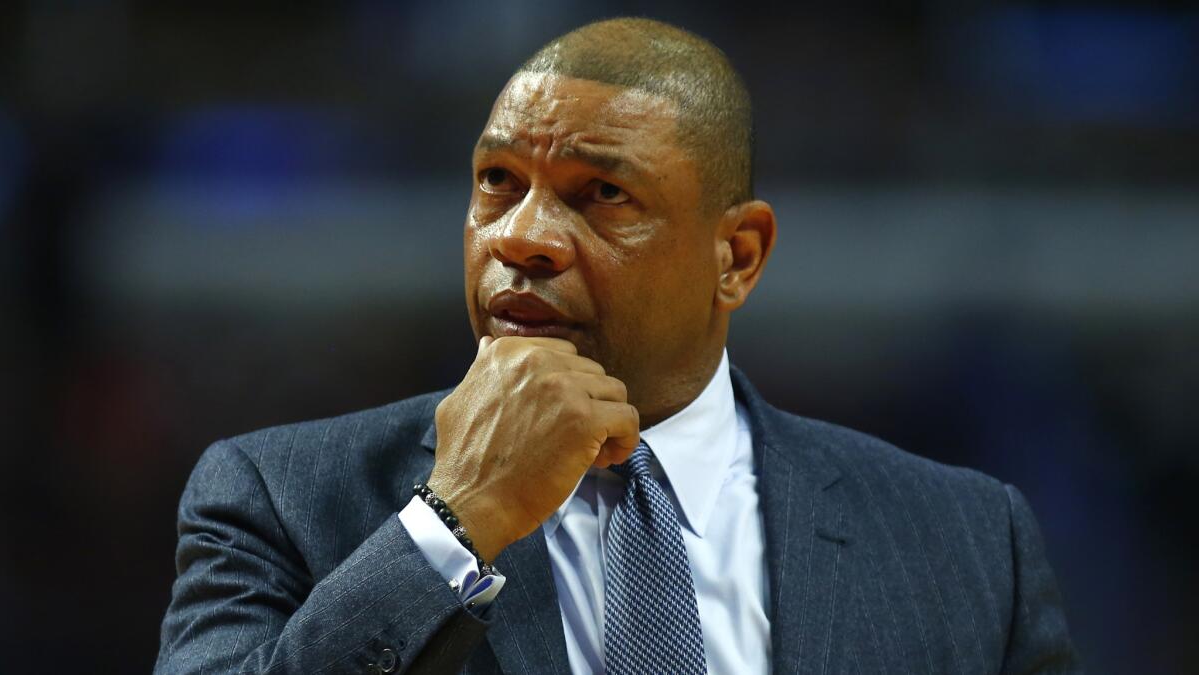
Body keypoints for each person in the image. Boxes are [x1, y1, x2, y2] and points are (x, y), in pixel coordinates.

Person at [154, 17, 1080, 674]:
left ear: (737, 255)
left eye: (602, 194)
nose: (522, 235)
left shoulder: (964, 542)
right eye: (497, 180)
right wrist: (450, 523)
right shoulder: (276, 498)